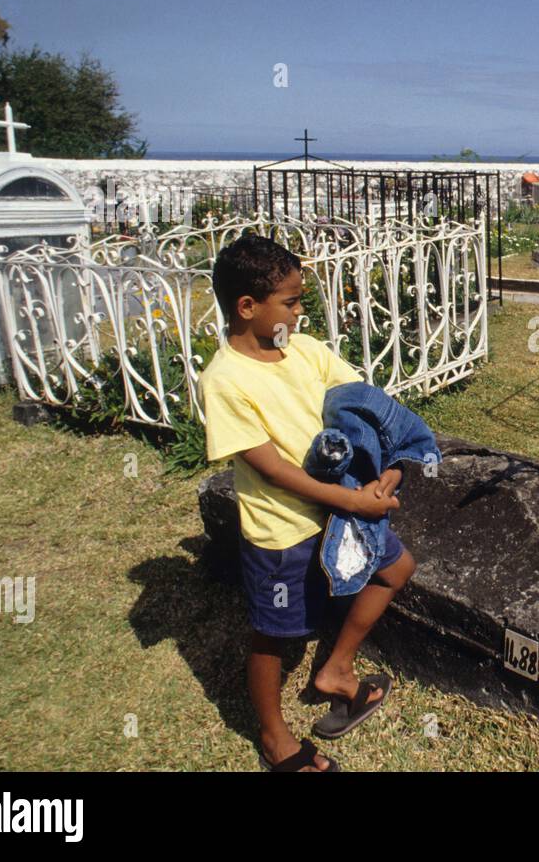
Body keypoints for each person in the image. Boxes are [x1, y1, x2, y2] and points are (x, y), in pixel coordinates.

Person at [200, 233, 417, 771]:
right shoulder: (225, 381)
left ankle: (336, 668)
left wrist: (389, 466)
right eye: (291, 302)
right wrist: (355, 501)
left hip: (343, 512)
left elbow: (365, 407)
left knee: (396, 570)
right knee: (274, 635)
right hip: (284, 530)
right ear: (247, 307)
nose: (300, 314)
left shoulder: (306, 351)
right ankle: (275, 739)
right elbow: (271, 469)